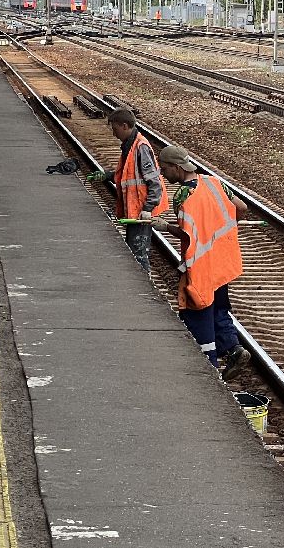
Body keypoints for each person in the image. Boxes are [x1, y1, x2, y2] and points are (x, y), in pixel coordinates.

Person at [156, 144, 250, 376]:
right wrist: (221, 224)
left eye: (165, 169)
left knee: (198, 308)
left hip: (200, 262)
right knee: (219, 304)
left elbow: (186, 232)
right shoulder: (213, 182)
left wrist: (164, 226)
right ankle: (233, 347)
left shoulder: (182, 195)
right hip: (221, 257)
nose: (163, 175)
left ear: (177, 168)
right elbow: (241, 207)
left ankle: (209, 365)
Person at [95, 108, 166, 271]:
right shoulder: (130, 145)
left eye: (115, 129)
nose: (114, 134)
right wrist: (108, 176)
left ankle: (146, 290)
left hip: (141, 212)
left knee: (138, 254)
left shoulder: (140, 147)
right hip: (135, 211)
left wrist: (148, 208)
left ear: (125, 126)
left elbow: (154, 182)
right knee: (134, 252)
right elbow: (128, 176)